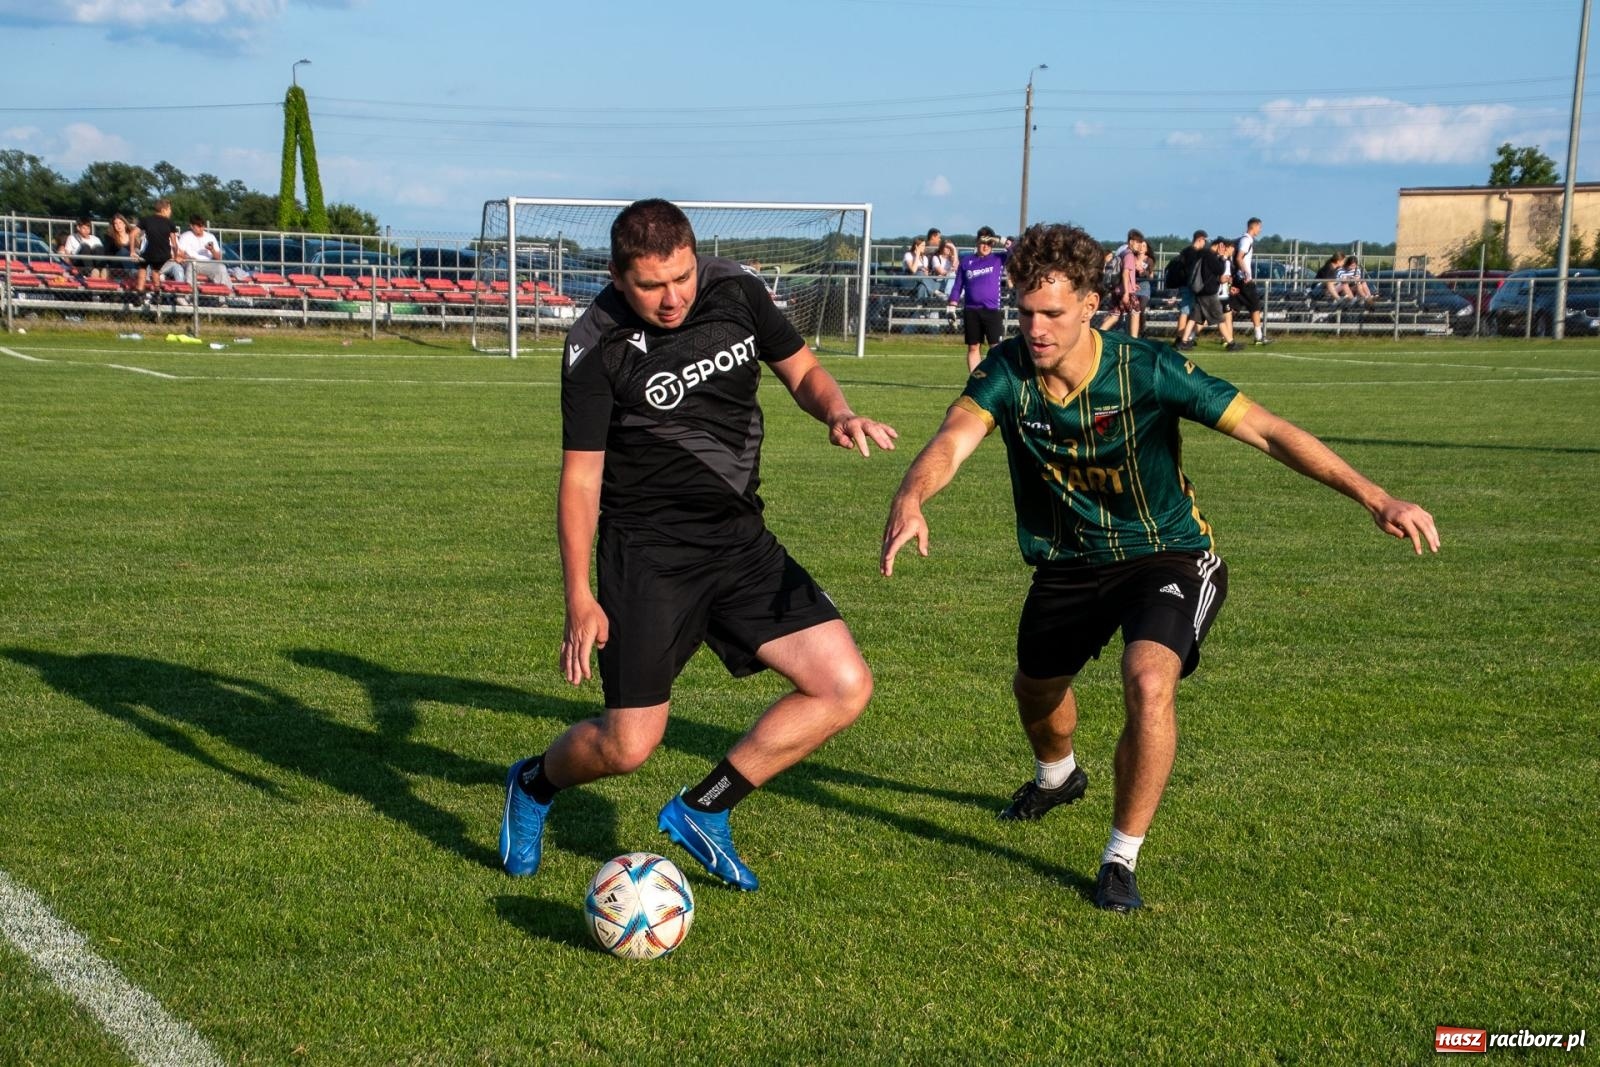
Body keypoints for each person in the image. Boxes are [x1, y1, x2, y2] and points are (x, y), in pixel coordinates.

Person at [880, 222, 1438, 913]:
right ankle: (1057, 777)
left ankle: (1120, 857)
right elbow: (952, 441)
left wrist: (1375, 496)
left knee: (1149, 681)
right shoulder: (1005, 372)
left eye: (1052, 312)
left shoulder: (1147, 367)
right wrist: (911, 497)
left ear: (1091, 303)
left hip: (1167, 553)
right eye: (1025, 311)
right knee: (1036, 690)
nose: (1036, 326)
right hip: (1069, 564)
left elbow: (1266, 429)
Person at [500, 198, 898, 892]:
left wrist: (838, 411)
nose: (673, 296)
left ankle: (703, 809)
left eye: (681, 276)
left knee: (844, 684)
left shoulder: (735, 290)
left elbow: (802, 370)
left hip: (742, 542)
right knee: (627, 746)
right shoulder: (594, 344)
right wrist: (578, 596)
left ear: (694, 256)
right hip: (648, 557)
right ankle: (534, 782)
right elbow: (580, 479)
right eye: (652, 285)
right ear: (619, 277)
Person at [948, 225, 1011, 372]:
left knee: (996, 348)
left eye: (989, 243)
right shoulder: (966, 261)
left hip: (991, 310)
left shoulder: (998, 258)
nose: (985, 246)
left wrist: (999, 239)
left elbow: (1018, 250)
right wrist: (951, 306)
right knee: (973, 347)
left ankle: (997, 381)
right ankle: (975, 381)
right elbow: (958, 286)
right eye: (983, 242)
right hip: (971, 310)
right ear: (976, 242)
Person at [131, 199, 179, 306]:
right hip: (164, 253)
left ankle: (139, 294)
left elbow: (133, 234)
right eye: (169, 209)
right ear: (163, 210)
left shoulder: (146, 220)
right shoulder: (170, 223)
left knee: (143, 268)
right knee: (155, 270)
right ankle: (157, 294)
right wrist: (175, 256)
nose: (170, 212)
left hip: (150, 252)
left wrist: (132, 251)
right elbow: (175, 244)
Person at [1233, 217, 1271, 345]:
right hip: (1244, 280)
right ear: (1253, 227)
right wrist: (1246, 273)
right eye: (1259, 227)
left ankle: (1224, 335)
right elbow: (1239, 258)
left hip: (1239, 279)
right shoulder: (1246, 240)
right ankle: (1258, 336)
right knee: (1255, 306)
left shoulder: (1244, 240)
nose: (1260, 230)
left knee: (1232, 308)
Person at [1167, 229, 1207, 348]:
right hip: (1188, 285)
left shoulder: (1185, 251)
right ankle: (1181, 338)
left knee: (1186, 310)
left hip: (1184, 284)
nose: (1205, 244)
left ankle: (1182, 337)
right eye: (1204, 241)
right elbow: (1192, 271)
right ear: (1200, 239)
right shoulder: (1192, 253)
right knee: (1186, 310)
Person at [176, 216, 230, 289]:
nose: (201, 228)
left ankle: (221, 297)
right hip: (192, 263)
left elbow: (218, 258)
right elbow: (179, 253)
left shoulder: (210, 237)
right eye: (198, 226)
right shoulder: (185, 236)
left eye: (202, 226)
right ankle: (189, 294)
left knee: (221, 267)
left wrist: (212, 250)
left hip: (208, 263)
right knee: (191, 266)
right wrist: (188, 257)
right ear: (191, 226)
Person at [102, 213, 137, 283]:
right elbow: (107, 254)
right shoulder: (110, 238)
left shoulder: (132, 236)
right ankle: (133, 273)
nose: (118, 225)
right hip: (116, 263)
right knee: (123, 251)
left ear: (124, 224)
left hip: (133, 261)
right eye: (115, 224)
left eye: (120, 223)